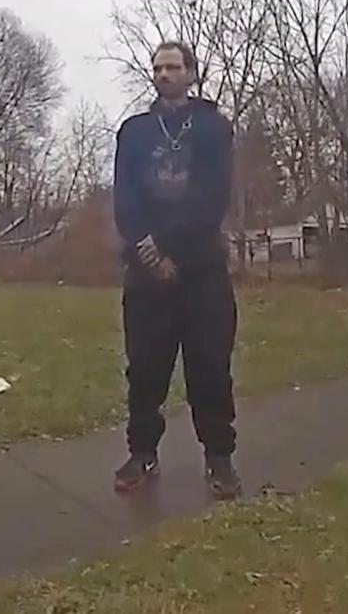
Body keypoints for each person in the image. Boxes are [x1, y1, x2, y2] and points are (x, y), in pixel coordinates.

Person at [112, 41, 240, 500]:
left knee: (209, 364)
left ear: (191, 73)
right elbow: (125, 198)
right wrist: (148, 252)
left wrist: (169, 250)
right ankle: (141, 452)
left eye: (172, 66)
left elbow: (211, 197)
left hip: (202, 269)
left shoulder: (212, 129)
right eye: (157, 67)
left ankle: (219, 458)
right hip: (145, 275)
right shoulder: (134, 132)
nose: (163, 74)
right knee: (145, 369)